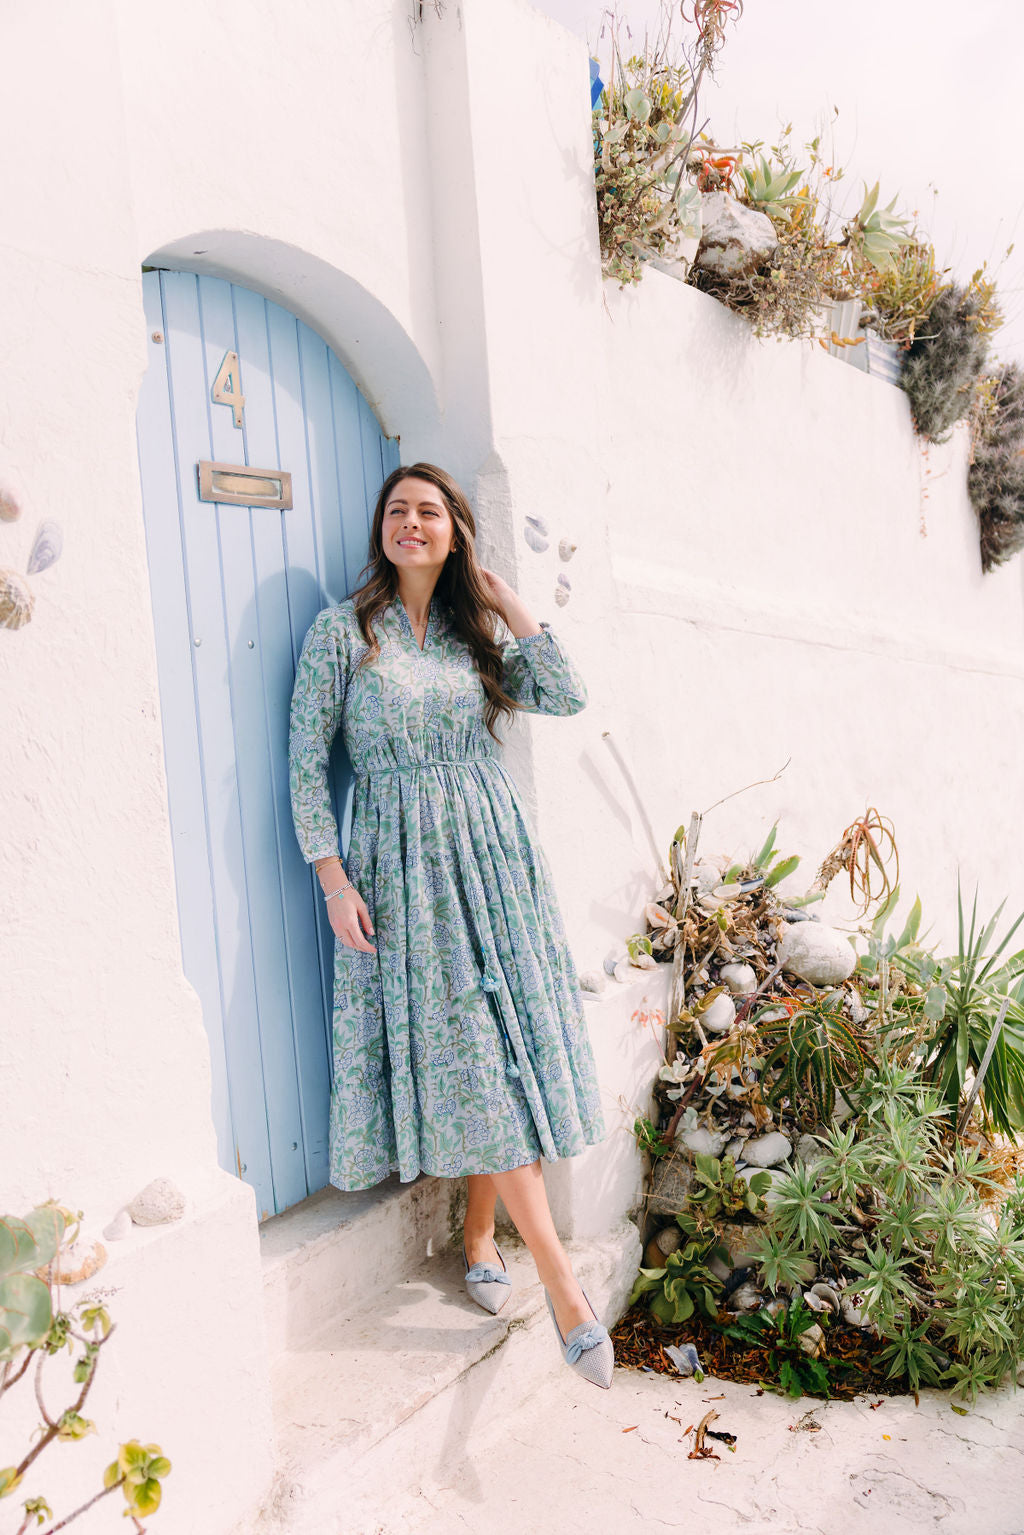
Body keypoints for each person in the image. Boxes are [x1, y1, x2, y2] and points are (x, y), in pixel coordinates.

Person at [287, 462, 614, 1388]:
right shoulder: (343, 632)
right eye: (397, 509)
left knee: (499, 1038)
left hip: (491, 855)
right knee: (469, 1045)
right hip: (400, 867)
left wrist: (509, 602)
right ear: (380, 529)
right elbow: (306, 761)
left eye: (429, 511)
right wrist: (332, 878)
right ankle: (563, 1288)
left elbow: (565, 694)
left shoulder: (477, 633)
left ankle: (479, 1232)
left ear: (454, 531)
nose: (411, 522)